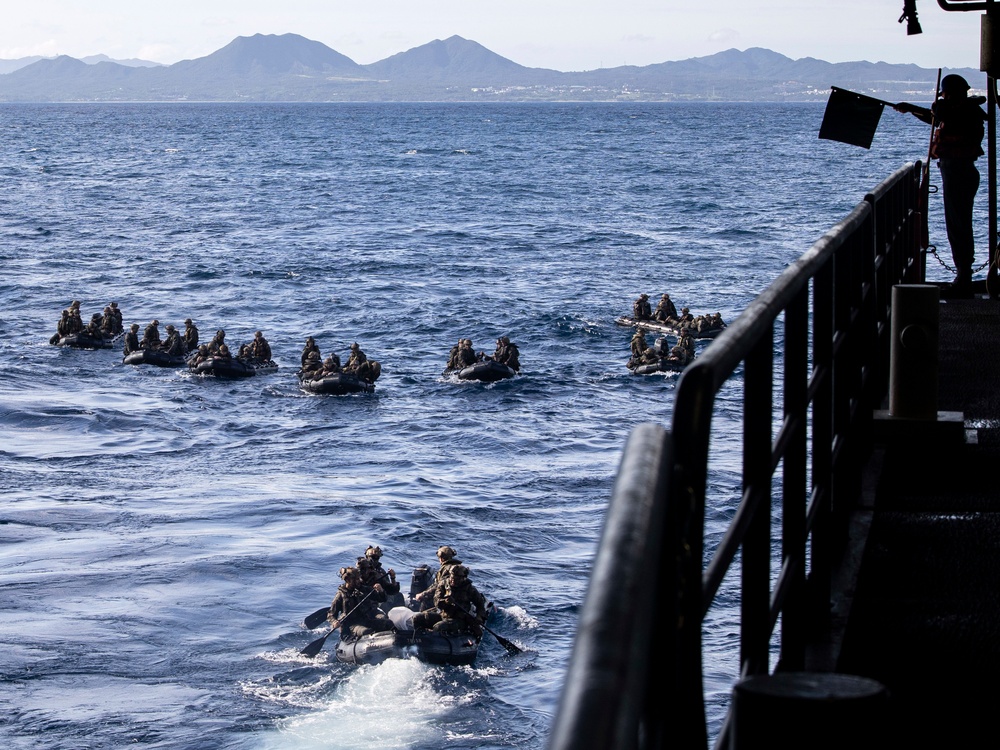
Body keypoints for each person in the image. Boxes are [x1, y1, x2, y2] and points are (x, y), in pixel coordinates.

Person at [895, 74, 987, 293]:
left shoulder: (964, 112)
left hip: (959, 172)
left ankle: (963, 278)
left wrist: (938, 106)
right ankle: (962, 275)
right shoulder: (959, 111)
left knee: (958, 226)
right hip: (956, 171)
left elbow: (943, 115)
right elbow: (935, 118)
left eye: (945, 93)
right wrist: (911, 108)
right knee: (958, 225)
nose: (942, 97)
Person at [411, 564, 489, 637]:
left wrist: (479, 617)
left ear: (463, 578)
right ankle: (418, 640)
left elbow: (480, 604)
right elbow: (436, 600)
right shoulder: (443, 584)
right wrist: (445, 602)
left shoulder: (469, 589)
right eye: (452, 578)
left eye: (457, 579)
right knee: (417, 618)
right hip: (443, 615)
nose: (453, 581)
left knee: (438, 627)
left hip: (459, 619)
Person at [327, 566, 394, 639]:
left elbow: (382, 599)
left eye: (358, 578)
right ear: (348, 580)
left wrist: (381, 591)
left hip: (366, 620)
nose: (358, 581)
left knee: (389, 623)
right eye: (355, 579)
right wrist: (334, 622)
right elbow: (331, 614)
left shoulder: (363, 589)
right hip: (351, 625)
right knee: (365, 631)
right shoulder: (340, 595)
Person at [413, 545, 461, 610]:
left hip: (449, 601)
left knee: (425, 604)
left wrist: (422, 595)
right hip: (457, 599)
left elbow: (439, 586)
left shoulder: (446, 569)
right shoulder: (458, 567)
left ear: (441, 558)